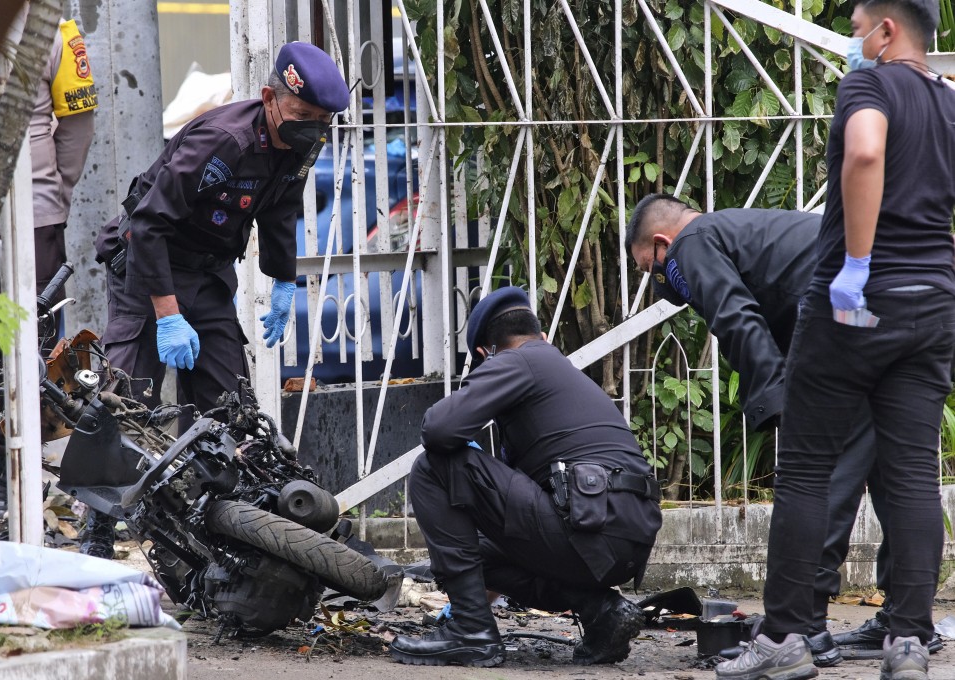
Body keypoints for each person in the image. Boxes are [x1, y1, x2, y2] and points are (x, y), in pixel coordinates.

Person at [716, 2, 955, 679]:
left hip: (857, 307)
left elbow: (867, 150)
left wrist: (856, 264)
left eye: (856, 30)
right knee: (911, 475)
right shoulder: (946, 101)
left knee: (805, 470)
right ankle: (908, 642)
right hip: (932, 305)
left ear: (887, 30)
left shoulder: (870, 84)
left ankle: (784, 640)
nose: (853, 42)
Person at [625, 194, 942, 665]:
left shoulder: (693, 242)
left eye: (651, 268)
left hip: (848, 314)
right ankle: (907, 623)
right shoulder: (744, 232)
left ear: (661, 241)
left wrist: (777, 401)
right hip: (904, 305)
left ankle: (805, 626)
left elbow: (736, 318)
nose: (658, 283)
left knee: (824, 471)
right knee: (898, 474)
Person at [87, 42, 349, 558]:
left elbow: (281, 207)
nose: (314, 128)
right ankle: (97, 530)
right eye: (303, 115)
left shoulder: (303, 141)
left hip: (207, 274)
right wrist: (166, 314)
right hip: (148, 265)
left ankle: (207, 529)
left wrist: (282, 280)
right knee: (128, 400)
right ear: (270, 97)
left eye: (324, 120)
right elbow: (148, 224)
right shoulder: (220, 139)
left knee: (228, 408)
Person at [388, 286, 662, 668]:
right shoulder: (559, 370)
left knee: (434, 468)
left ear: (487, 353)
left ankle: (471, 632)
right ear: (543, 335)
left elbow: (438, 430)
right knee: (479, 550)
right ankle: (601, 610)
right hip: (617, 542)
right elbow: (512, 524)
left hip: (590, 527)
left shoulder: (520, 360)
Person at [0, 18, 97, 519]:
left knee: (35, 350)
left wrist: (53, 195)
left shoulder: (56, 29)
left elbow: (78, 123)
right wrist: (55, 192)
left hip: (21, 209)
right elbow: (77, 129)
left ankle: (29, 476)